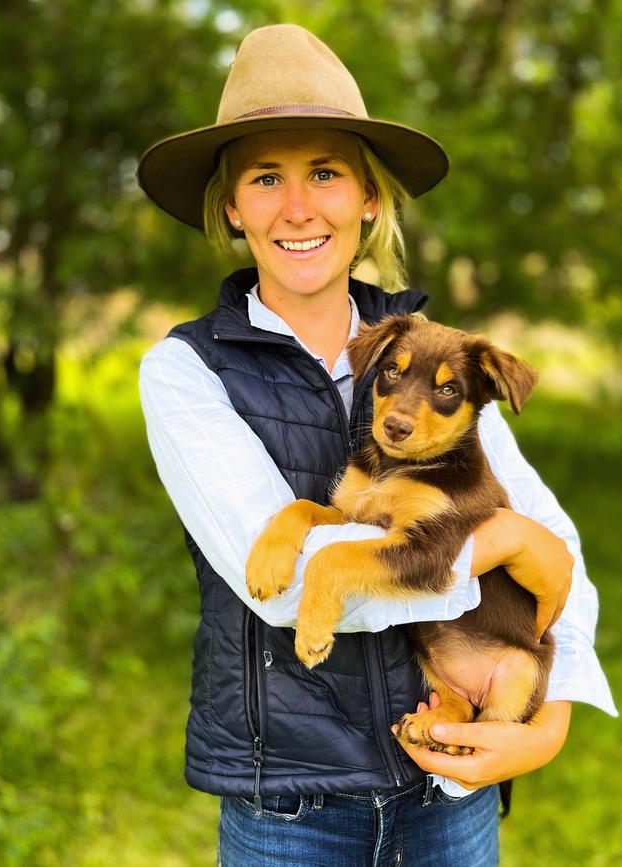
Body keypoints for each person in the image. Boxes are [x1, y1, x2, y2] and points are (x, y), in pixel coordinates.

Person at [137, 24, 616, 867]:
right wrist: (502, 541)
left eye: (325, 171)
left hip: (448, 798)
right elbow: (282, 589)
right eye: (265, 177)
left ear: (367, 197)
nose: (297, 205)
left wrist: (545, 723)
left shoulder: (434, 359)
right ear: (230, 205)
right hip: (289, 810)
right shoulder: (185, 371)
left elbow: (561, 551)